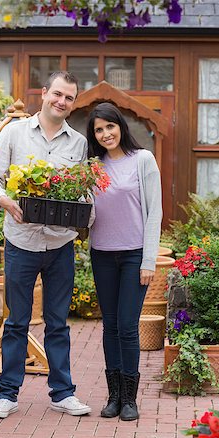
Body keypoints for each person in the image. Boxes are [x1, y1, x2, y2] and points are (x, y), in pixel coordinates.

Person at [0, 71, 92, 419]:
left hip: (61, 244)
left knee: (58, 322)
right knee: (17, 321)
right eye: (57, 94)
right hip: (21, 241)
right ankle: (7, 394)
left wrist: (85, 217)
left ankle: (62, 393)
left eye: (69, 98)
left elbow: (83, 190)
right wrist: (4, 201)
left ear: (73, 104)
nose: (61, 101)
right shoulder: (15, 133)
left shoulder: (78, 143)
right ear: (44, 93)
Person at [86, 102, 162, 421]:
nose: (106, 134)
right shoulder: (93, 167)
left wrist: (148, 260)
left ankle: (130, 398)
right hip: (101, 253)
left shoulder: (142, 159)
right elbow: (89, 213)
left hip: (133, 256)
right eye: (99, 130)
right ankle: (114, 395)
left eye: (110, 126)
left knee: (128, 327)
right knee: (110, 325)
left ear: (121, 126)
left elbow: (154, 211)